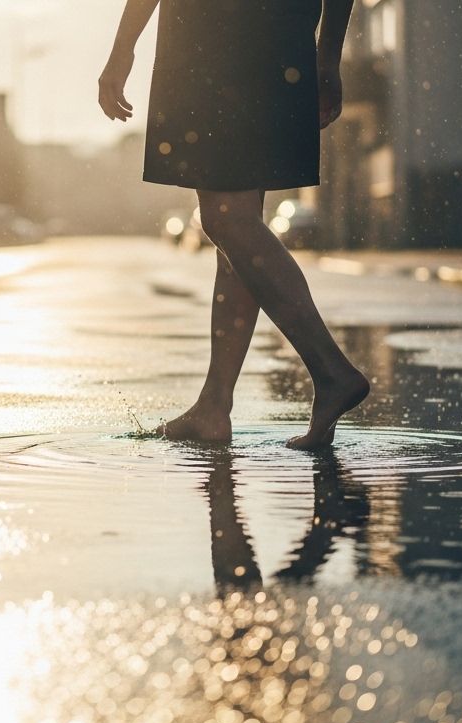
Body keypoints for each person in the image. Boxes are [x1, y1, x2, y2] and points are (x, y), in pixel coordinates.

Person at [99, 0, 369, 451]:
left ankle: (331, 371)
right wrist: (326, 57)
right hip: (279, 40)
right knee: (238, 227)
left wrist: (122, 49)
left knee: (225, 219)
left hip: (215, 40)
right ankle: (214, 406)